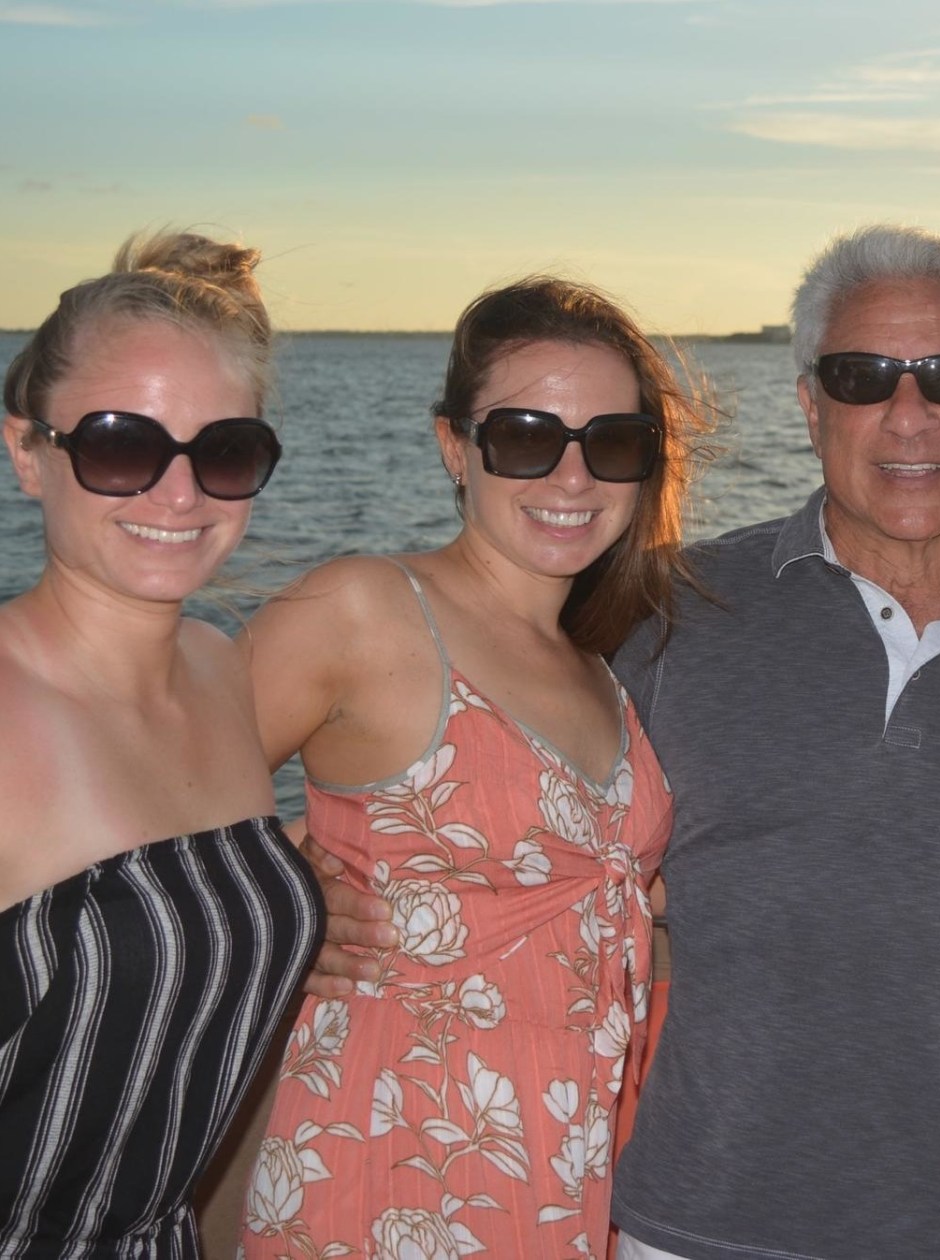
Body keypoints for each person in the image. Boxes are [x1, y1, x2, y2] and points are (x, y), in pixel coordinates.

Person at [597, 224, 940, 1260]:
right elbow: (518, 809)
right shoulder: (672, 610)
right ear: (810, 406)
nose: (909, 416)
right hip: (705, 1227)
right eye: (863, 377)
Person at [235, 277, 709, 1259]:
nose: (572, 479)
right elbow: (144, 792)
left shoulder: (602, 668)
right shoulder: (366, 611)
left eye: (611, 442)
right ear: (456, 444)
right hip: (388, 1178)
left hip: (565, 1188)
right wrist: (271, 897)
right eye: (527, 436)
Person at [0, 231, 322, 1256]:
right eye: (119, 444)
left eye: (223, 449)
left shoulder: (224, 673)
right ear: (25, 453)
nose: (177, 496)